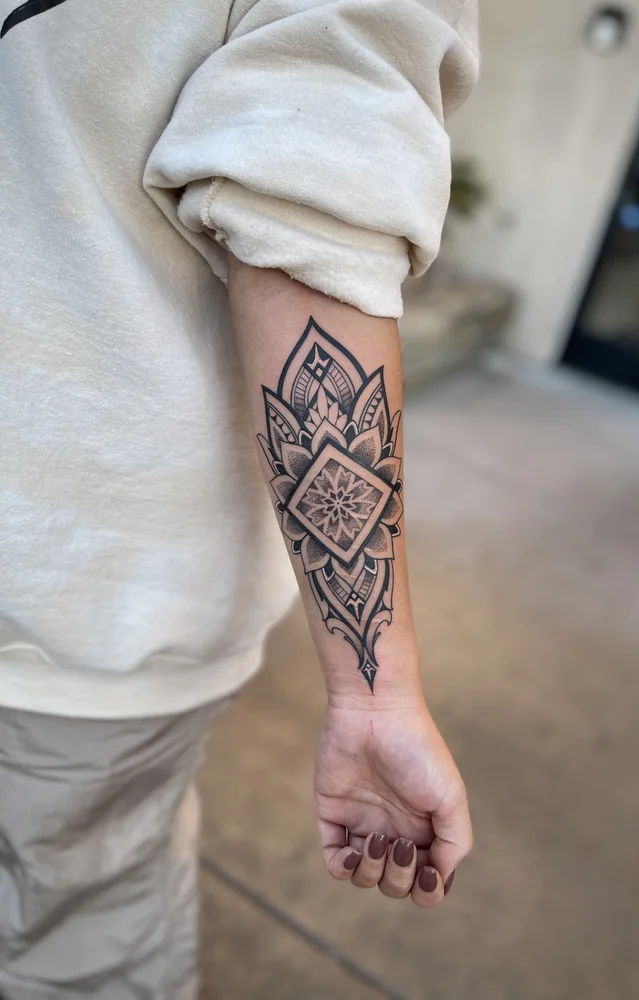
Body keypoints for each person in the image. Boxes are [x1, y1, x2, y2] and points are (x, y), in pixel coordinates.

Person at [0, 0, 478, 995]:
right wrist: (375, 692)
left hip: (74, 623)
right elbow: (314, 197)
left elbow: (312, 210)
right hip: (82, 608)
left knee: (75, 921)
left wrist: (373, 686)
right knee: (76, 944)